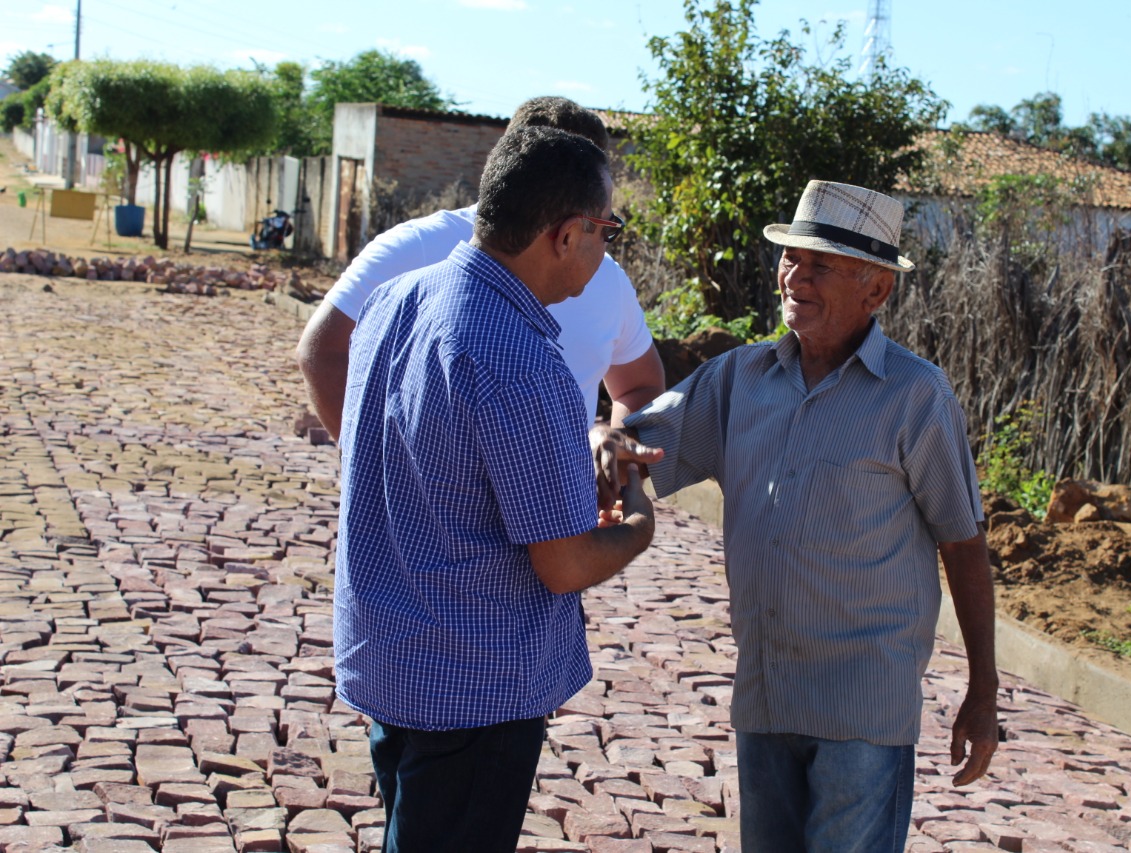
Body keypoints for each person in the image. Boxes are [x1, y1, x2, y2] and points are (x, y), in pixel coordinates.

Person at [595, 181, 999, 853]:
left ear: (877, 291)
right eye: (790, 258)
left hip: (862, 708)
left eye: (821, 265)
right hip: (767, 693)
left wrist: (982, 694)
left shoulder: (915, 396)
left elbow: (964, 544)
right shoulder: (740, 378)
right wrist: (602, 440)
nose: (795, 276)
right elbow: (637, 447)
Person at [334, 126, 657, 852]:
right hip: (472, 687)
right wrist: (638, 520)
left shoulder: (395, 300)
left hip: (393, 655)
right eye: (608, 230)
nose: (608, 248)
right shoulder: (517, 355)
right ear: (566, 234)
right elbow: (565, 562)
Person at [296, 96, 665, 438]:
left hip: (551, 504)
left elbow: (639, 384)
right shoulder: (417, 247)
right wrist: (376, 466)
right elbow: (322, 350)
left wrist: (617, 458)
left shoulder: (607, 279)